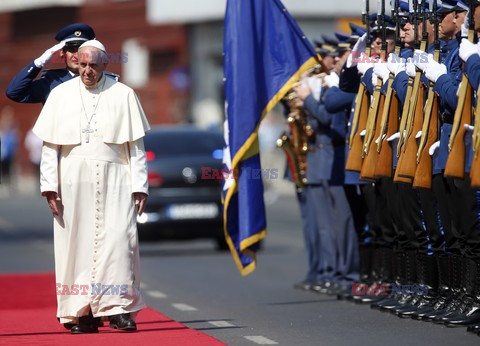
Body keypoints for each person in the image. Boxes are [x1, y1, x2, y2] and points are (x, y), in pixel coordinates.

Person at [32, 39, 150, 334]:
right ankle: (81, 313)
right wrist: (50, 187)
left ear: (104, 64)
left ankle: (119, 309)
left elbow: (135, 146)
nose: (86, 71)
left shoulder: (123, 94)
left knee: (119, 243)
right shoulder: (60, 94)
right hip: (72, 180)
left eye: (93, 65)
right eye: (82, 65)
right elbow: (50, 147)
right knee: (76, 246)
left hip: (116, 178)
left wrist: (140, 186)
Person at [6, 23, 96, 104]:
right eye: (71, 50)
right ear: (62, 53)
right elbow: (14, 93)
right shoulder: (51, 81)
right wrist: (39, 62)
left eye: (80, 51)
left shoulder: (99, 78)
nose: (76, 56)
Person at [0, 106, 18, 187]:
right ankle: (4, 181)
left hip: (11, 149)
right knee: (3, 166)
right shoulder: (2, 124)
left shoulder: (13, 125)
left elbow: (16, 137)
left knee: (11, 166)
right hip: (3, 150)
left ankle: (10, 182)